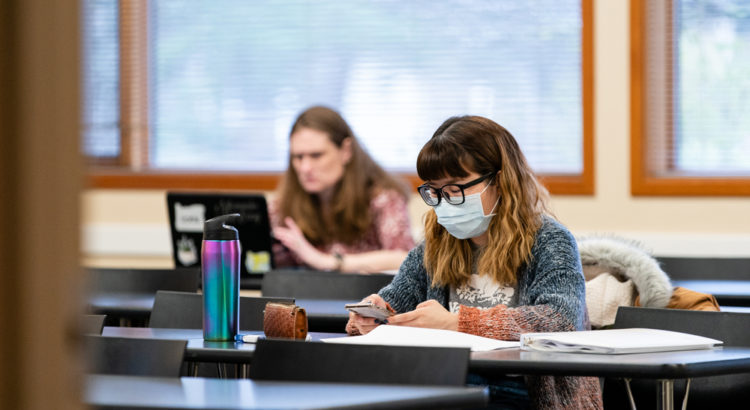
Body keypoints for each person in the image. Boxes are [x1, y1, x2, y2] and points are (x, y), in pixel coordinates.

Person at [346, 116, 602, 409]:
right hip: (452, 384)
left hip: (526, 393)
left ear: (500, 180)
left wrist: (456, 324)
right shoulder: (436, 243)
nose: (444, 202)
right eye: (435, 191)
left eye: (455, 190)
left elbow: (559, 320)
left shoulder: (550, 241)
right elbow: (396, 302)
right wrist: (373, 317)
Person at [270, 106, 415, 273]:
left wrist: (327, 261)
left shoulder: (383, 198)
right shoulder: (283, 205)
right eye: (298, 157)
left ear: (346, 151)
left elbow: (405, 258)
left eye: (316, 155)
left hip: (364, 297)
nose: (305, 168)